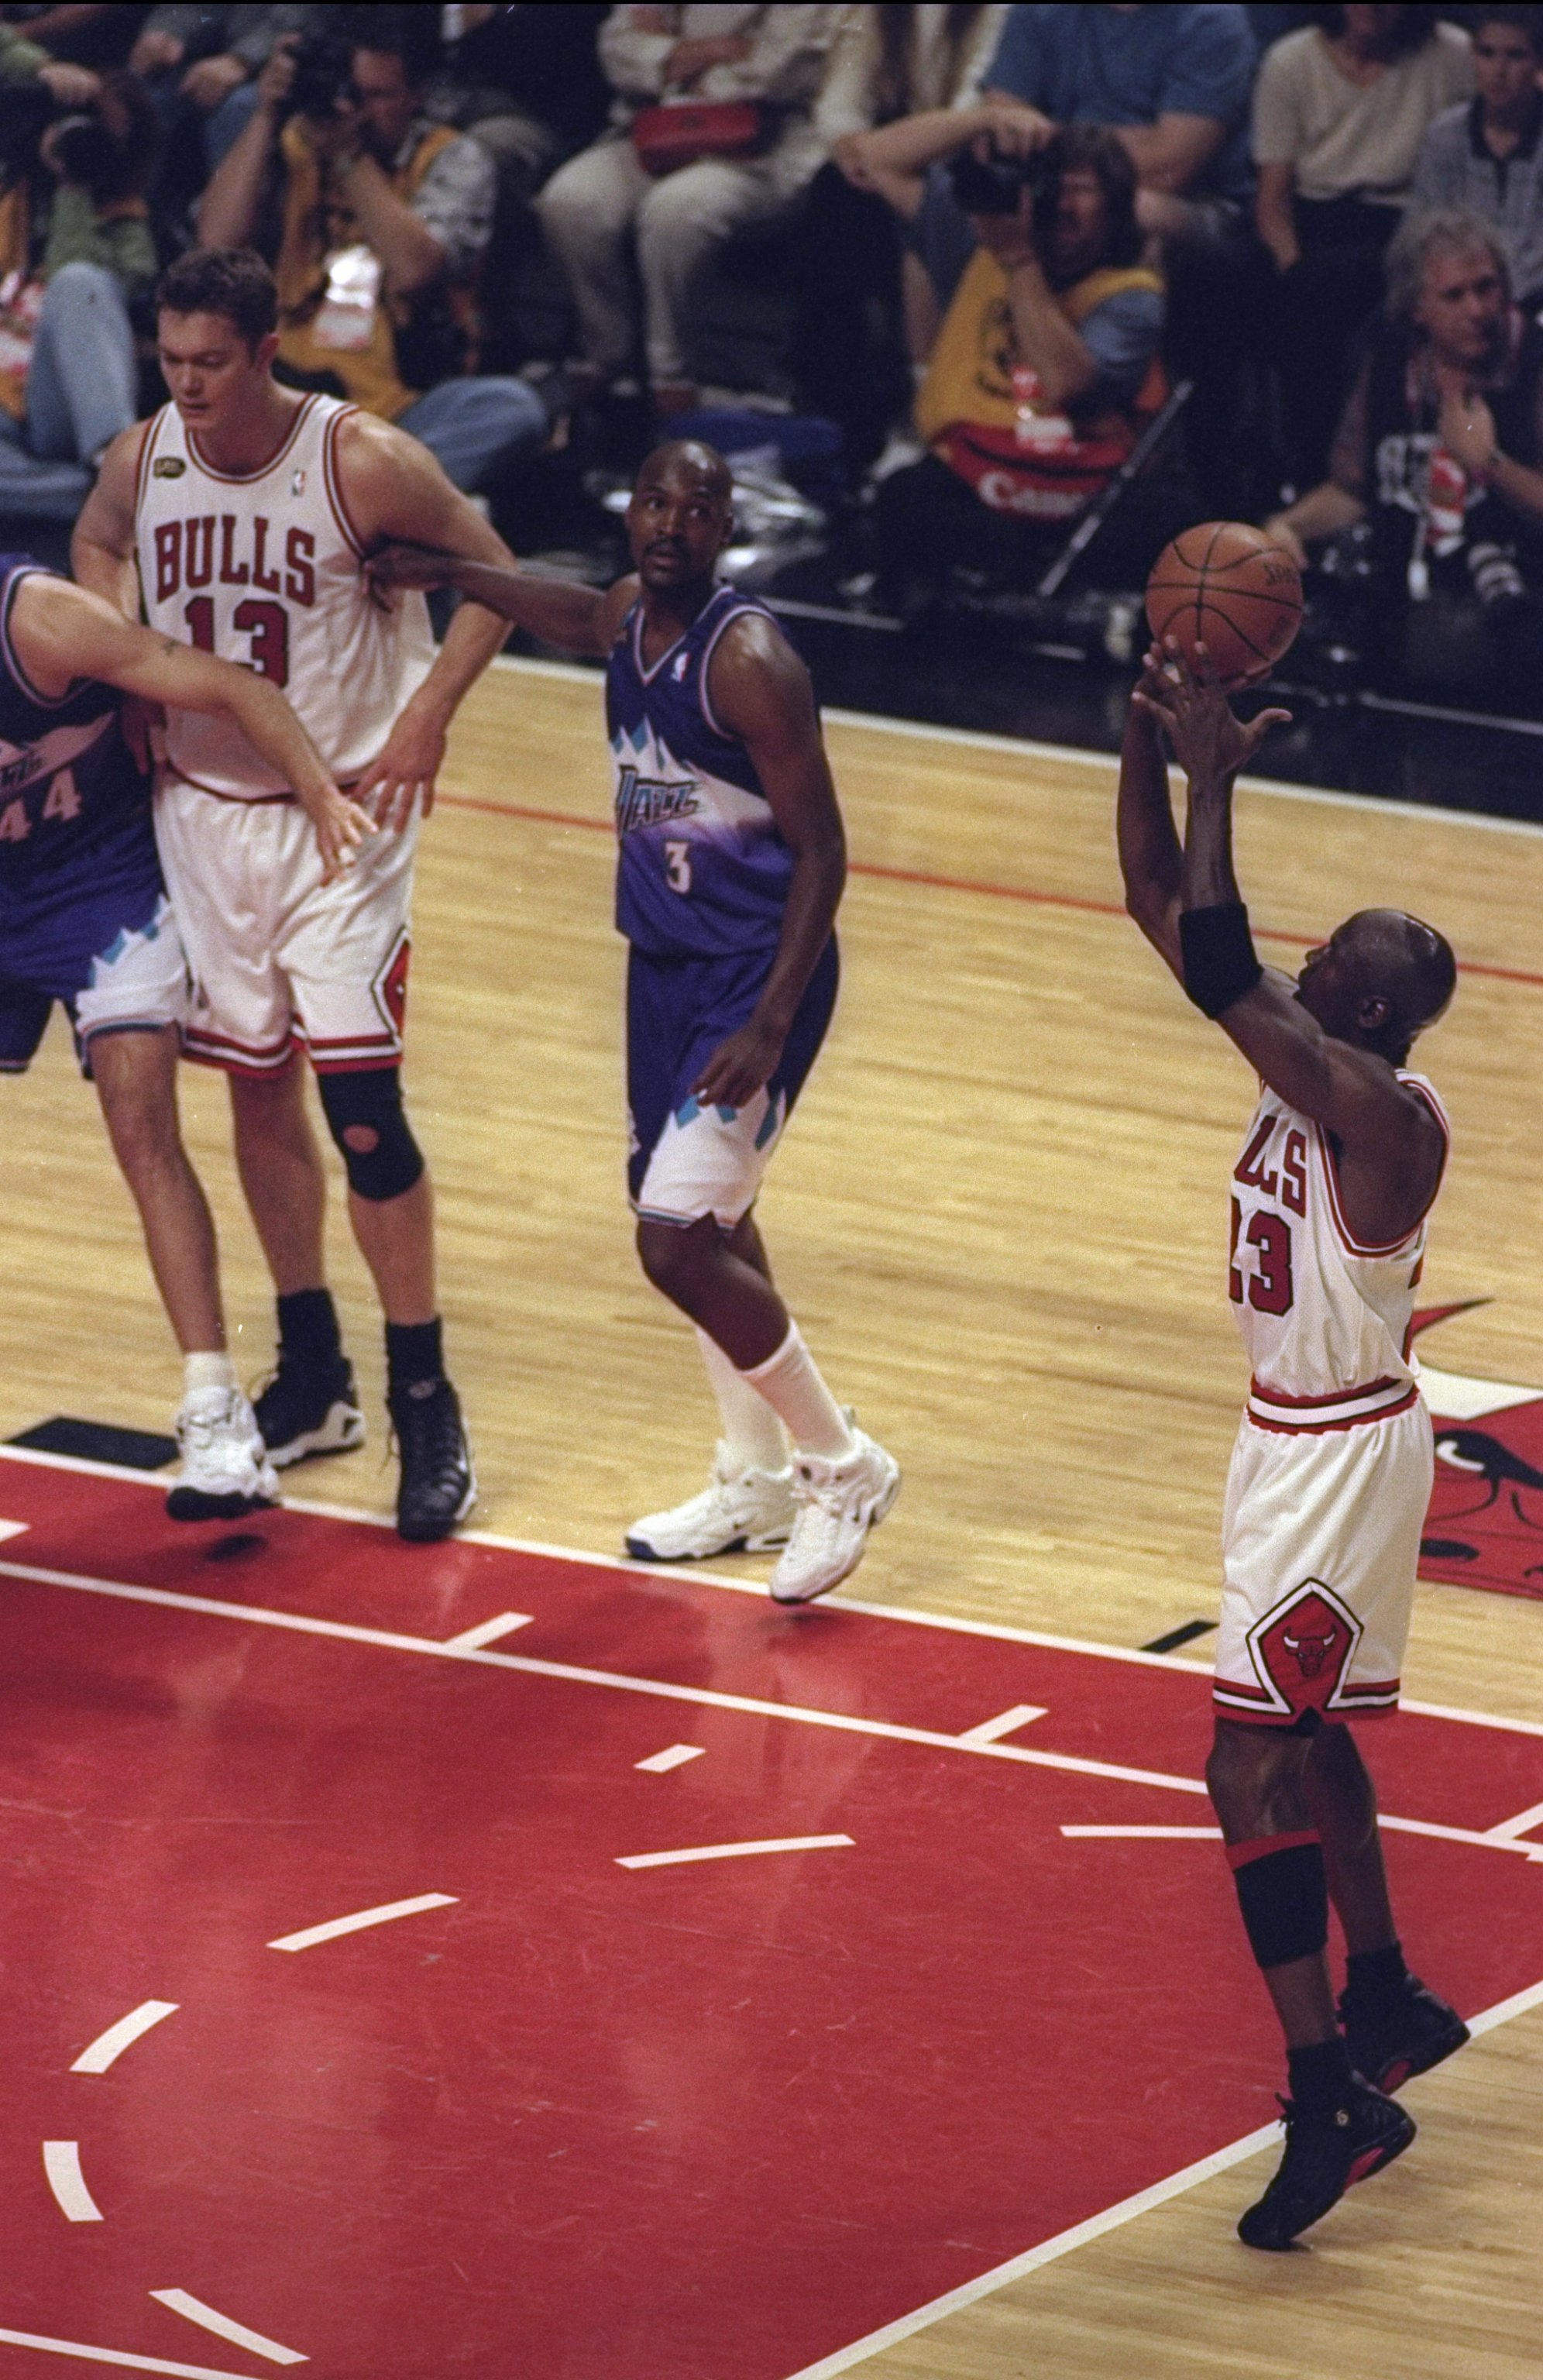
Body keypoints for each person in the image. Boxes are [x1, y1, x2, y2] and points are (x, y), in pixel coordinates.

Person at [368, 439, 901, 1604]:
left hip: (755, 976)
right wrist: (449, 568)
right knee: (702, 1223)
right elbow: (568, 611)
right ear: (631, 511)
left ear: (723, 529)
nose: (672, 519)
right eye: (655, 497)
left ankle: (841, 1464)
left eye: (698, 506)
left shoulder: (750, 658)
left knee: (672, 1242)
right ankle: (755, 1478)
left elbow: (825, 850)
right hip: (661, 969)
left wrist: (769, 1023)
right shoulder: (625, 617)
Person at [72, 244, 518, 1543]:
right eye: (172, 360)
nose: (189, 384)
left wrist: (428, 713)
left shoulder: (361, 459)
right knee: (256, 1088)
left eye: (212, 361)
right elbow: (99, 542)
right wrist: (130, 671)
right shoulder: (141, 454)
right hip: (205, 817)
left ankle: (423, 1395)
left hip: (345, 818)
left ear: (268, 350)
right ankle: (313, 1371)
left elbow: (498, 576)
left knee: (364, 1110)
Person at [1117, 641, 1469, 2251]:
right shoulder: (1307, 1053)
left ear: (1366, 1007)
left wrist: (1219, 778)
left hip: (1333, 1461)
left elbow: (1211, 957)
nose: (1306, 952)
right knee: (1311, 1739)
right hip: (1298, 1443)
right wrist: (1141, 739)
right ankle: (1387, 1993)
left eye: (1336, 955)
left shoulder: (1370, 1111)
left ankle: (1327, 2087)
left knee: (1241, 1758)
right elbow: (1164, 914)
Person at [0, 538, 369, 1520]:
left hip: (101, 888)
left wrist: (320, 795)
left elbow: (232, 684)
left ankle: (214, 1414)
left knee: (140, 1123)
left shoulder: (41, 620)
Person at [194, 10, 548, 495]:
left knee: (511, 408)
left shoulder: (451, 157)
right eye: (353, 93)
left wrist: (348, 158)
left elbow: (415, 272)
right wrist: (264, 114)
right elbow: (214, 248)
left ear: (418, 96)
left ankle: (343, 501)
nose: (359, 111)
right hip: (280, 390)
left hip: (394, 410)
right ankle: (371, 504)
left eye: (379, 97)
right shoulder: (295, 143)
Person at [866, 120, 1165, 596]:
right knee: (906, 498)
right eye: (1053, 189)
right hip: (973, 474)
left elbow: (1065, 382)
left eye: (1082, 191)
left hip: (1074, 493)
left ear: (1117, 208)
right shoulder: (979, 241)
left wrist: (1021, 261)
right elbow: (875, 160)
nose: (1062, 207)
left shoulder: (1131, 297)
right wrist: (984, 117)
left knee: (1164, 524)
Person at [1266, 208, 1543, 696]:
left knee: (1450, 648)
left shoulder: (1534, 363)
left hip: (1509, 604)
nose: (1477, 309)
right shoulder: (1392, 364)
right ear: (1418, 308)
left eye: (1487, 287)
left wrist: (1489, 464)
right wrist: (1287, 527)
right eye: (1454, 295)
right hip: (1399, 596)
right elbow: (1353, 488)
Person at [534, 5, 844, 418]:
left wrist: (670, 55)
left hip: (763, 146)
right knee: (570, 200)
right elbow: (617, 51)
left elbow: (779, 73)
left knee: (676, 210)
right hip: (654, 133)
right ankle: (604, 355)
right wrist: (719, 50)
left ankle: (672, 378)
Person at [1253, 4, 1473, 489]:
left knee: (1337, 288)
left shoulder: (1454, 56)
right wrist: (1293, 271)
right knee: (1268, 288)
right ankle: (1279, 473)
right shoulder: (1289, 61)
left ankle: (1336, 477)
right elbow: (1273, 202)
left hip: (1405, 226)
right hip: (1311, 226)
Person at [0, 68, 159, 519]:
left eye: (99, 138)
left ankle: (116, 464)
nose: (81, 142)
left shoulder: (128, 232)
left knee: (80, 282)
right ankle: (83, 499)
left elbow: (70, 266)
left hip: (49, 409)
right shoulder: (11, 197)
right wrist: (43, 79)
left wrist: (74, 185)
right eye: (76, 126)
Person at [1410, 5, 1543, 308]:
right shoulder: (1445, 135)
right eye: (1487, 53)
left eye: (1515, 55)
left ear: (1538, 62)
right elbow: (1421, 233)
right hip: (1461, 297)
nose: (1499, 70)